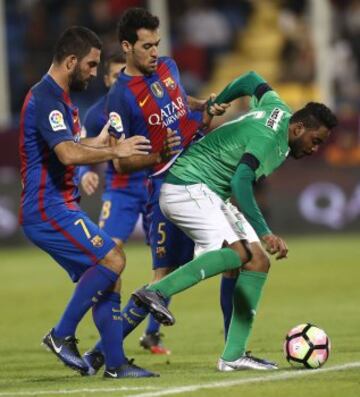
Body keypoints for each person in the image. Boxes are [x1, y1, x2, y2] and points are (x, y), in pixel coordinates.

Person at [132, 70, 338, 371]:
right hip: (187, 185)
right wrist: (266, 232)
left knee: (257, 262)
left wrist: (217, 103)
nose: (314, 149)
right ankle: (157, 291)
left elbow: (250, 79)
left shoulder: (278, 107)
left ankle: (233, 355)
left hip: (208, 190)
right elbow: (242, 182)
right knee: (240, 253)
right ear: (298, 128)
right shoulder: (271, 140)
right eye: (315, 140)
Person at [79, 8, 228, 372]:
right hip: (164, 189)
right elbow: (121, 163)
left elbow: (179, 104)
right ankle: (103, 348)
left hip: (196, 175)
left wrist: (204, 107)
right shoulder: (120, 99)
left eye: (157, 44)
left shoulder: (169, 68)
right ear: (127, 47)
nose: (155, 52)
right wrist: (159, 153)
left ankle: (101, 352)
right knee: (171, 275)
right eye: (146, 46)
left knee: (182, 273)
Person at [18, 26, 157, 379]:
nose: (95, 74)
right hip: (47, 209)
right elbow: (66, 154)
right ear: (70, 61)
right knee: (113, 258)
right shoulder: (47, 97)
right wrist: (114, 150)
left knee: (109, 277)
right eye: (92, 66)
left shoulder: (61, 99)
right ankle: (62, 334)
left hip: (61, 206)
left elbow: (74, 143)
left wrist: (99, 140)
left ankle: (115, 365)